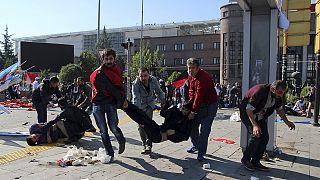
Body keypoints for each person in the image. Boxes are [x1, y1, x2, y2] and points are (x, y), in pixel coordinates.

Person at [239, 80, 295, 171]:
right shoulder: (260, 91)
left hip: (260, 115)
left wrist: (287, 121)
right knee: (256, 135)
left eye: (283, 93)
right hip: (247, 113)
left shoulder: (278, 96)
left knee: (265, 137)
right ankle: (246, 159)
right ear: (273, 89)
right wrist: (255, 125)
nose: (281, 95)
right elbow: (248, 110)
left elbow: (279, 109)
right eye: (280, 92)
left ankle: (256, 161)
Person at [90, 49, 127, 162]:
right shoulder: (99, 73)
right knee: (103, 130)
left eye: (110, 59)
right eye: (106, 59)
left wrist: (122, 99)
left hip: (110, 103)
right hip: (98, 104)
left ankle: (121, 140)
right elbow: (105, 88)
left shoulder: (117, 71)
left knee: (113, 127)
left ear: (114, 59)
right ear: (103, 60)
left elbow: (120, 86)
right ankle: (110, 153)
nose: (108, 61)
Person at [186, 58, 218, 161]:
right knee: (192, 126)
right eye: (189, 68)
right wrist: (189, 106)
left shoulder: (203, 78)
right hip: (200, 104)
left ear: (198, 68)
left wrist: (193, 111)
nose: (191, 70)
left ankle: (201, 152)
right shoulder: (191, 76)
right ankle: (196, 145)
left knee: (204, 130)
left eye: (193, 68)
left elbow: (199, 96)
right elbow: (191, 91)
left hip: (210, 105)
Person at [26, 97, 94, 146]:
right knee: (65, 135)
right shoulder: (41, 141)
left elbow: (50, 123)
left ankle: (74, 134)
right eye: (36, 139)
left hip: (65, 127)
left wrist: (48, 131)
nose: (37, 137)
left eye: (34, 136)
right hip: (60, 133)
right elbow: (50, 140)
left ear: (31, 134)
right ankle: (76, 134)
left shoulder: (33, 128)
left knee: (59, 122)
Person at [123, 101, 193, 143]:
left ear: (190, 111)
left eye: (186, 110)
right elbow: (162, 113)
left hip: (158, 137)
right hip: (158, 128)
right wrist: (167, 106)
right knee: (143, 115)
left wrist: (175, 132)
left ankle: (126, 109)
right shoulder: (176, 111)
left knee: (143, 121)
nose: (184, 111)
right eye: (183, 109)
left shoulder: (187, 121)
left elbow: (185, 136)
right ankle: (127, 104)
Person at [131, 68, 165, 154]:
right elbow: (136, 98)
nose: (143, 78)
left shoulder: (153, 80)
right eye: (141, 76)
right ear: (138, 76)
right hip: (140, 105)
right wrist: (138, 113)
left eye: (145, 76)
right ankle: (144, 144)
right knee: (140, 126)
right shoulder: (136, 84)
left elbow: (159, 92)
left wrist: (164, 101)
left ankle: (149, 145)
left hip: (150, 105)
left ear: (149, 75)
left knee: (148, 124)